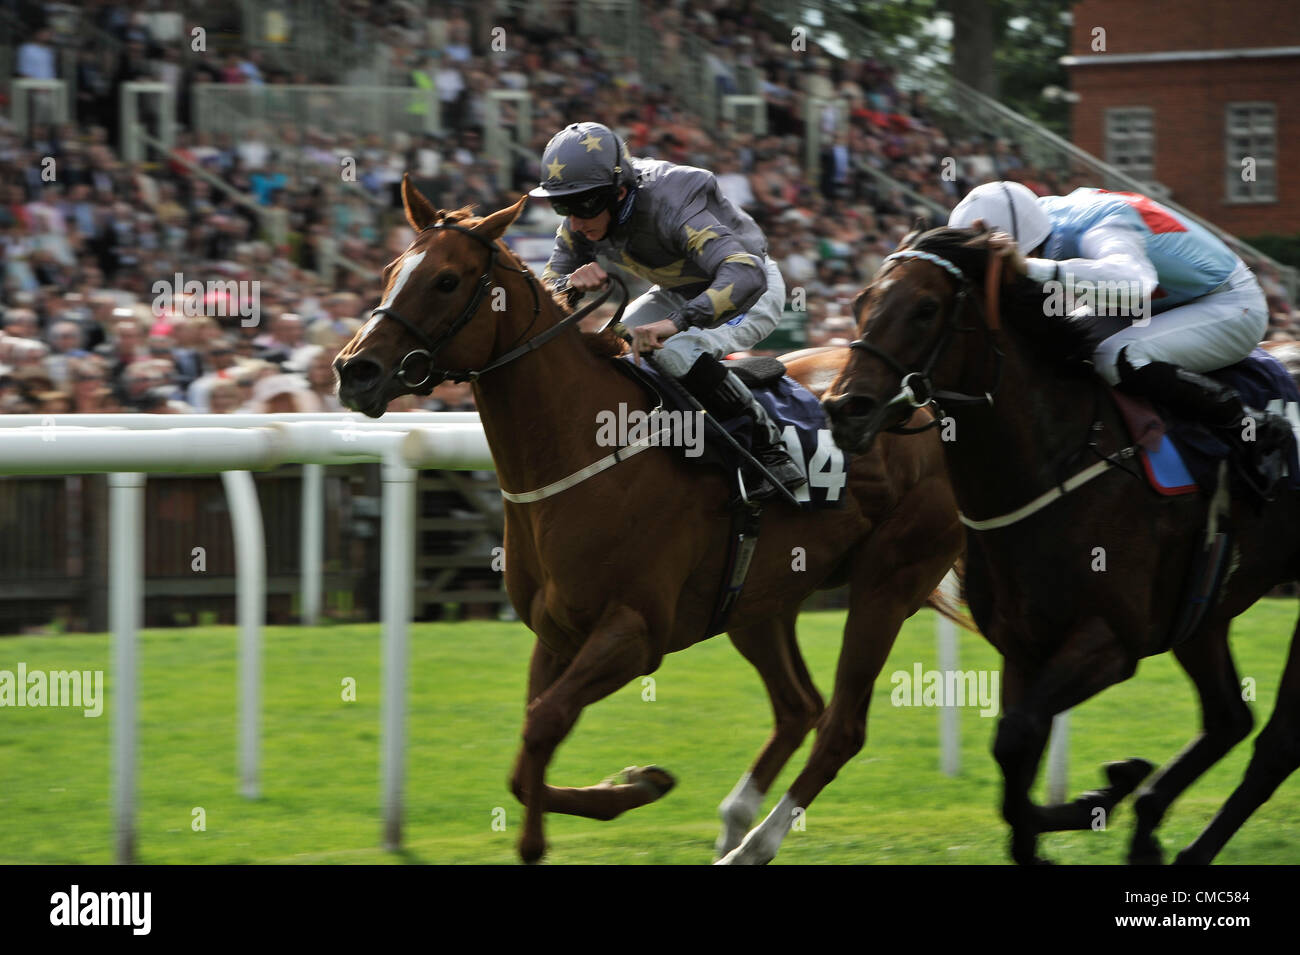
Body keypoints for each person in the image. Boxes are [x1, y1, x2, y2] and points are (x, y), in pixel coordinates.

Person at [949, 180, 1292, 494]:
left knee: (1116, 357)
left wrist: (1028, 268)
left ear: (1026, 247)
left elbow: (1136, 284)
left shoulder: (1098, 226)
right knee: (1063, 346)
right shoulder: (1036, 221)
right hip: (1155, 303)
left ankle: (1247, 423)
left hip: (1226, 304)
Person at [528, 121, 805, 498]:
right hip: (679, 290)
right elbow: (546, 296)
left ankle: (768, 449)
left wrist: (678, 322)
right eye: (562, 205)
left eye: (583, 205)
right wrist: (569, 286)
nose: (574, 221)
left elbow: (744, 273)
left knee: (675, 349)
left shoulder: (674, 199)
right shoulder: (583, 216)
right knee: (613, 347)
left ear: (618, 192)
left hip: (748, 289)